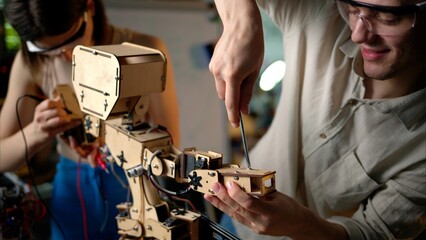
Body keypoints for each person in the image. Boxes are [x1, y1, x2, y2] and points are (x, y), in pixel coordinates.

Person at [206, 0, 426, 239]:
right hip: (232, 222)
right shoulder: (323, 14)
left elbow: (372, 233)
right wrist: (241, 23)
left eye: (388, 18)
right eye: (353, 10)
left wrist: (300, 225)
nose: (358, 34)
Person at [0, 0, 180, 239]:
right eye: (47, 51)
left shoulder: (144, 51)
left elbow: (169, 144)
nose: (64, 56)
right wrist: (37, 132)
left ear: (90, 7)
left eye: (70, 43)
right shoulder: (32, 63)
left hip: (132, 187)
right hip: (72, 192)